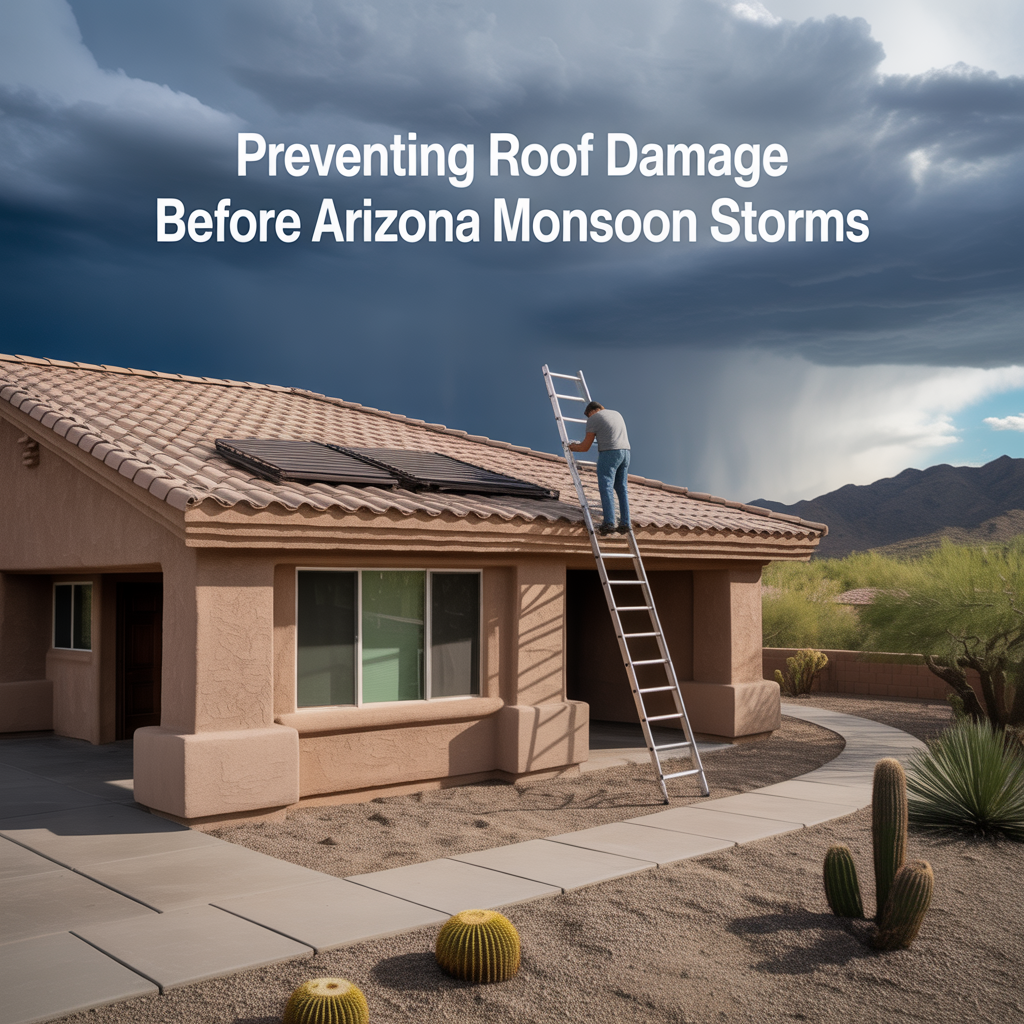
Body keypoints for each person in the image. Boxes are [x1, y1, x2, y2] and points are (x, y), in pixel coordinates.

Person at [568, 401, 631, 536]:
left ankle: (609, 522)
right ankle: (625, 523)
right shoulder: (616, 414)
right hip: (625, 453)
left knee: (606, 484)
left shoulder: (594, 419)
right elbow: (607, 433)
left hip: (609, 452)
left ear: (591, 412)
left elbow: (585, 447)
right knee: (621, 487)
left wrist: (572, 447)